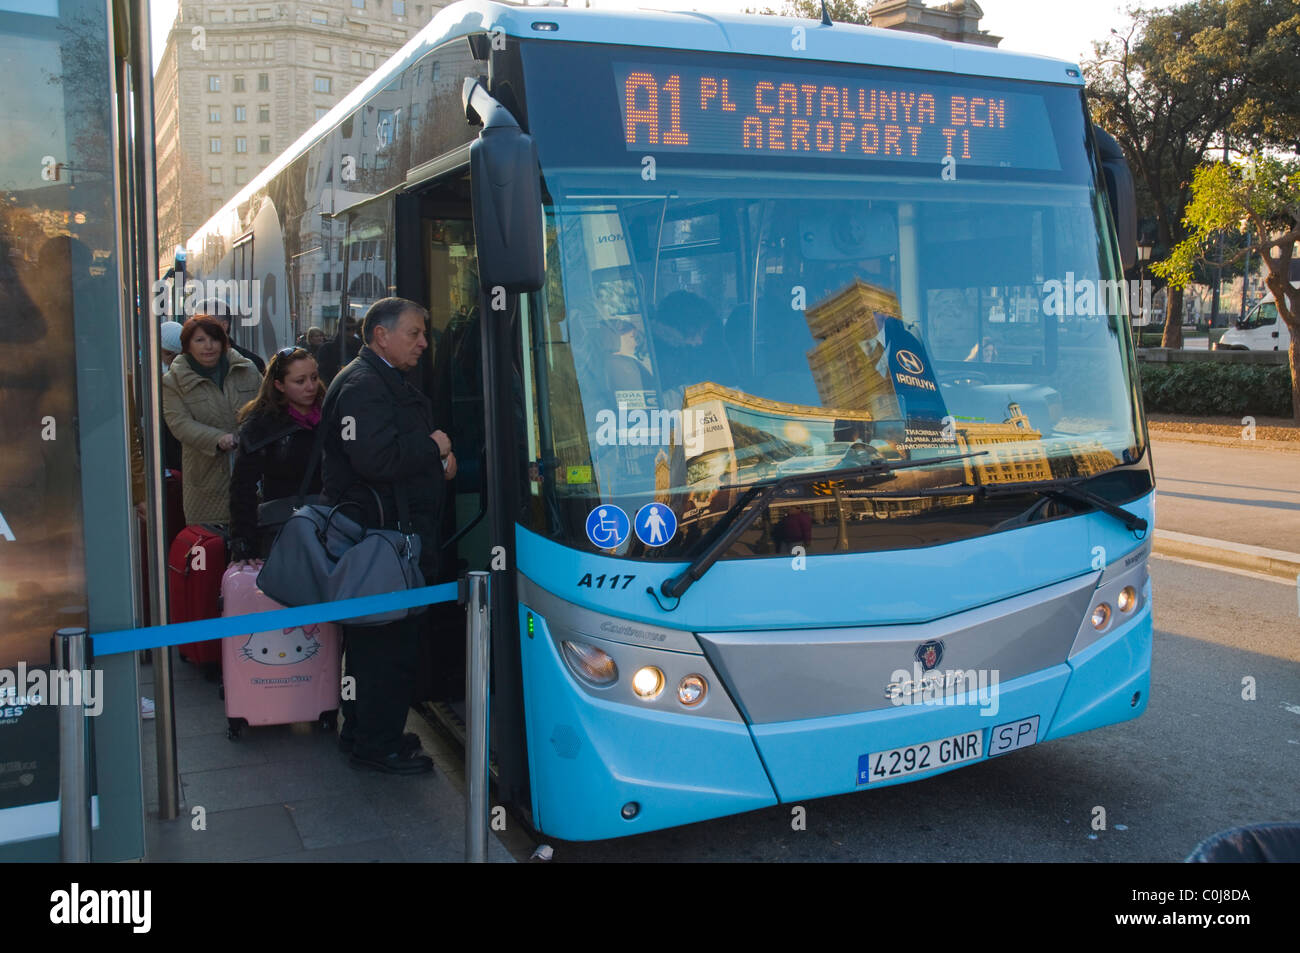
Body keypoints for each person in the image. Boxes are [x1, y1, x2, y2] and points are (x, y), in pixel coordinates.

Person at [319, 297, 456, 775]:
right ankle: (378, 743)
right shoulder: (363, 385)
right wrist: (434, 446)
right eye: (414, 333)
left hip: (388, 536)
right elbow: (376, 460)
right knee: (387, 646)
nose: (423, 343)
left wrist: (437, 461)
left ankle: (364, 730)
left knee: (373, 642)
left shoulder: (374, 379)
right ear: (381, 335)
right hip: (384, 541)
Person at [161, 315, 263, 525]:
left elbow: (266, 405)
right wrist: (217, 439)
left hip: (253, 474)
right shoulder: (173, 381)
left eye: (214, 339)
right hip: (206, 479)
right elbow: (180, 424)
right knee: (213, 546)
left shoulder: (247, 369)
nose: (208, 346)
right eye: (199, 340)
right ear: (187, 345)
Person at [227, 347, 323, 563]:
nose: (310, 387)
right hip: (283, 530)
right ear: (279, 385)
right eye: (300, 381)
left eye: (314, 378)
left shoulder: (333, 414)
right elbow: (243, 487)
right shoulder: (261, 424)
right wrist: (244, 542)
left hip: (330, 527)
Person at [209, 310, 266, 374]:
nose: (198, 328)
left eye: (206, 324)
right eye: (195, 322)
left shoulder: (254, 363)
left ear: (224, 325)